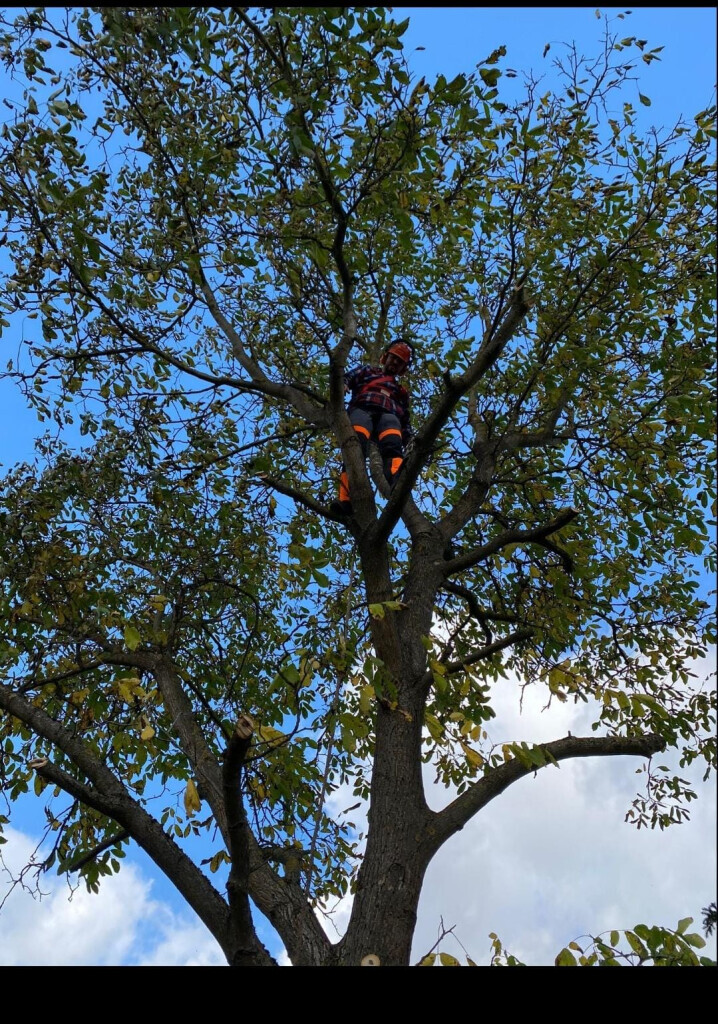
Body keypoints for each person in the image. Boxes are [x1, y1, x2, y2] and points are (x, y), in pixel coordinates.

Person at [329, 339, 413, 516]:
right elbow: (348, 377)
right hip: (363, 408)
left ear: (402, 369)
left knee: (393, 445)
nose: (395, 363)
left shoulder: (400, 391)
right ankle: (346, 499)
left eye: (399, 362)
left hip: (389, 415)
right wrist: (342, 385)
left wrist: (410, 439)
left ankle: (396, 480)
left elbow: (405, 419)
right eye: (393, 358)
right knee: (355, 445)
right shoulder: (367, 371)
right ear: (385, 357)